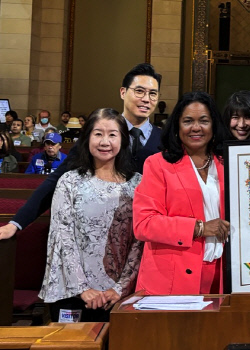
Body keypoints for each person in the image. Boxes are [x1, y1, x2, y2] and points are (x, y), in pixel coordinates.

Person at [0, 63, 162, 241]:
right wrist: (16, 223)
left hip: (147, 237)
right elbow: (55, 181)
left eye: (152, 93)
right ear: (123, 92)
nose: (146, 99)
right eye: (139, 91)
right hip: (100, 235)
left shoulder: (166, 141)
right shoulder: (96, 139)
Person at [39, 108, 143, 322]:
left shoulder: (138, 183)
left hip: (119, 295)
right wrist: (82, 289)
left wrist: (120, 288)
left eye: (112, 134)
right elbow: (62, 237)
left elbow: (139, 241)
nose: (105, 141)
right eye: (98, 134)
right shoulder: (70, 181)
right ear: (87, 139)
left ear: (123, 140)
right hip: (73, 292)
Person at [133, 91, 230, 295]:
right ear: (177, 126)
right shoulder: (158, 164)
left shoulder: (229, 163)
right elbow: (144, 224)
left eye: (204, 120)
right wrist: (200, 228)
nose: (196, 128)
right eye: (188, 121)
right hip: (171, 278)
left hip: (223, 276)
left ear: (214, 125)